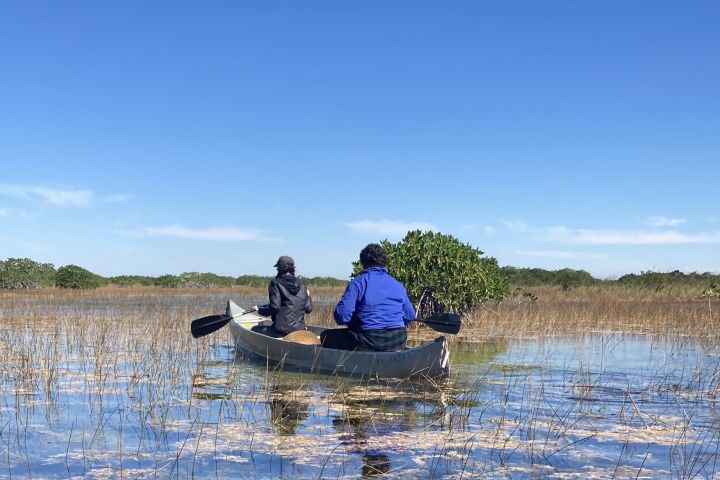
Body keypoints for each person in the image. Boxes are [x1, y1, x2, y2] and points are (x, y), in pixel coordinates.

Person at [322, 243, 415, 351]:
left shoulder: (357, 283)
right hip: (398, 339)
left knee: (325, 336)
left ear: (363, 262)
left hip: (369, 340)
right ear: (384, 263)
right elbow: (410, 315)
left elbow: (342, 316)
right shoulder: (398, 285)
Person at [253, 255, 313, 337]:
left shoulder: (275, 283)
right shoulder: (302, 285)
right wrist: (308, 296)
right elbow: (308, 309)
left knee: (254, 329)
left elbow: (275, 307)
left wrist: (260, 310)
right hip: (300, 330)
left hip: (281, 331)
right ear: (293, 269)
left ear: (279, 269)